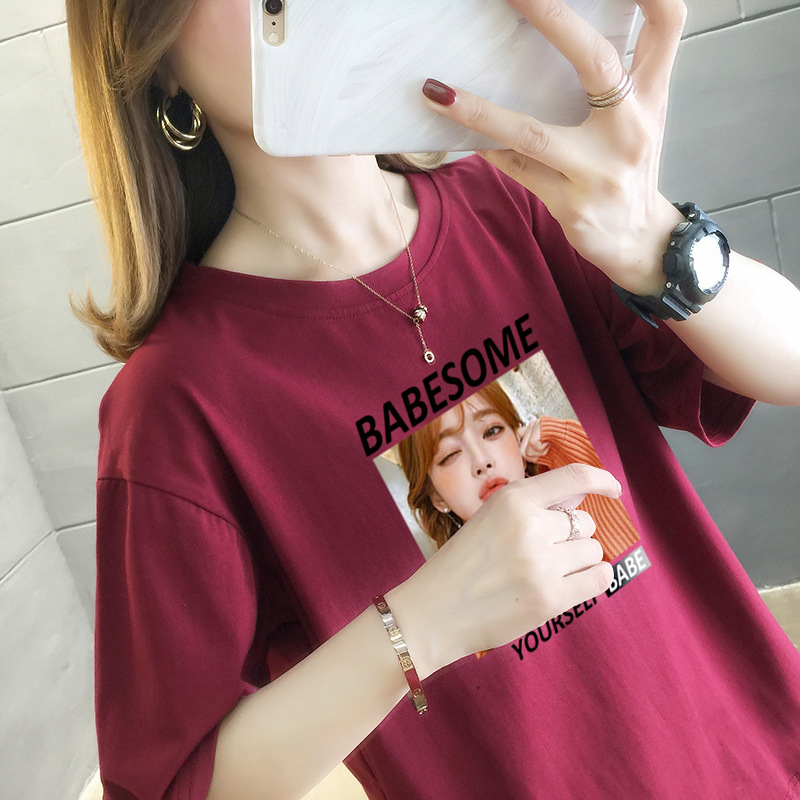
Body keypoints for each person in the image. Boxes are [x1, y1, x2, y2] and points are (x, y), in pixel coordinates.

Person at [65, 0, 800, 798]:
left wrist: (653, 239)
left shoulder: (512, 200)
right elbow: (169, 783)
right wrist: (421, 623)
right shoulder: (176, 402)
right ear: (157, 60)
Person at [398, 380, 639, 559]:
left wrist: (562, 441)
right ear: (436, 496)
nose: (482, 462)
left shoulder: (578, 506)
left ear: (518, 441)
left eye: (492, 431)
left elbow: (637, 554)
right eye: (451, 454)